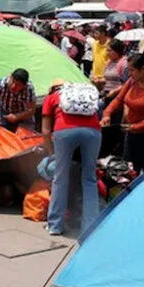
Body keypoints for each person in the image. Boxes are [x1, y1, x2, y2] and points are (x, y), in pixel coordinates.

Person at [41, 80, 101, 237]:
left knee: (60, 178)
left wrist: (51, 152)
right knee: (90, 178)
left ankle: (55, 225)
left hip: (64, 130)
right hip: (92, 131)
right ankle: (90, 227)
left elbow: (46, 130)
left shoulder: (51, 97)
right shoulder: (85, 94)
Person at [101, 54, 144, 174]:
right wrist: (107, 113)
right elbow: (119, 99)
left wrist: (136, 127)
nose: (129, 74)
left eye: (132, 70)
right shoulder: (131, 82)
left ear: (143, 69)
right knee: (129, 171)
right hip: (132, 134)